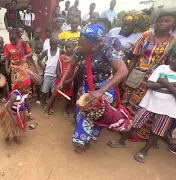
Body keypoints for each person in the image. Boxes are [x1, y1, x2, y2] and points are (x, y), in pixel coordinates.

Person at [56, 25, 128, 154]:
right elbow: (72, 65)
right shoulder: (80, 51)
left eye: (83, 43)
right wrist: (61, 81)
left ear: (94, 44)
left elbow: (123, 70)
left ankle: (85, 140)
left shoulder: (107, 50)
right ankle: (83, 139)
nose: (80, 45)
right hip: (86, 87)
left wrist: (101, 91)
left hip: (104, 88)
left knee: (94, 115)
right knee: (82, 113)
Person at [108, 52, 176, 163]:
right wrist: (173, 85)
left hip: (168, 110)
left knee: (157, 132)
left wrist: (166, 83)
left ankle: (144, 151)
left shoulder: (163, 72)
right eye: (174, 58)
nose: (173, 61)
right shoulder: (162, 68)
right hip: (149, 103)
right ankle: (121, 141)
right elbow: (150, 85)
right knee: (135, 123)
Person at [121, 12, 176, 141]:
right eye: (160, 20)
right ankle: (123, 128)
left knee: (145, 107)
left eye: (167, 21)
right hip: (136, 75)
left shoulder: (173, 43)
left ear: (174, 24)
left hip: (155, 79)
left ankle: (137, 133)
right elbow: (134, 58)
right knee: (128, 102)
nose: (162, 23)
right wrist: (125, 75)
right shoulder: (145, 37)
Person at [0, 66, 31, 146]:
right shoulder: (14, 95)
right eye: (26, 88)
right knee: (9, 127)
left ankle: (15, 137)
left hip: (20, 113)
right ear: (20, 88)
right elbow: (8, 106)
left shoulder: (26, 94)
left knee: (17, 127)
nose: (28, 90)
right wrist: (13, 117)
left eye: (29, 88)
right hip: (11, 113)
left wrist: (29, 113)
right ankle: (7, 138)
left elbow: (27, 103)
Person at [45, 40, 76, 117]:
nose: (68, 49)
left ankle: (64, 110)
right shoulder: (62, 57)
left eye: (70, 47)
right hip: (60, 80)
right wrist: (62, 79)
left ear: (74, 46)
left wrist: (69, 81)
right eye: (66, 47)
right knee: (54, 94)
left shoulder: (76, 58)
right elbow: (57, 69)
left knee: (67, 97)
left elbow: (75, 72)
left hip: (70, 81)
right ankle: (47, 109)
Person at [39, 35, 60, 111]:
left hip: (55, 75)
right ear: (49, 43)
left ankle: (50, 106)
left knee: (53, 92)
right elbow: (39, 59)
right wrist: (43, 67)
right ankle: (44, 103)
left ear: (58, 43)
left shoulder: (60, 51)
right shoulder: (46, 51)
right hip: (47, 74)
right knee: (44, 91)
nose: (53, 46)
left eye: (55, 44)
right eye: (51, 44)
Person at [0, 36, 9, 102]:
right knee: (2, 83)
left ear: (3, 42)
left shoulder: (6, 49)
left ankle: (8, 95)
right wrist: (3, 59)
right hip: (1, 70)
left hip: (7, 69)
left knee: (9, 82)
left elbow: (9, 59)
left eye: (0, 42)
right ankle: (3, 96)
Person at [32, 40, 44, 105]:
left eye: (40, 49)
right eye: (37, 48)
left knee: (38, 87)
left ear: (42, 49)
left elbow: (44, 65)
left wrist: (40, 59)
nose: (38, 50)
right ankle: (33, 95)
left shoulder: (43, 56)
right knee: (33, 86)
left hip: (40, 74)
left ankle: (39, 99)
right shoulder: (32, 56)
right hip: (33, 74)